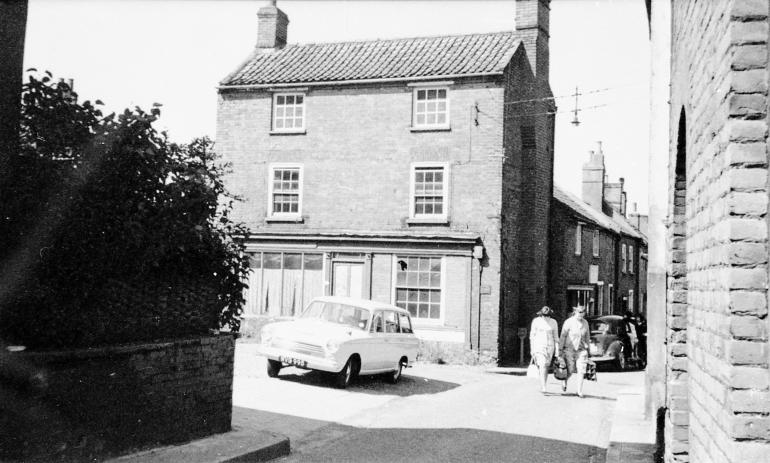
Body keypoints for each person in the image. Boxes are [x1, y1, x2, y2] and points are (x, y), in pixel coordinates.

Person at [559, 305, 590, 397]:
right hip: (569, 349)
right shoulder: (569, 322)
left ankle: (579, 391)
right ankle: (564, 381)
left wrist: (588, 349)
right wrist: (560, 349)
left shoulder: (585, 323)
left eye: (583, 312)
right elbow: (563, 336)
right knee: (571, 369)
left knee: (581, 370)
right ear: (575, 312)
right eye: (579, 312)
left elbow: (587, 336)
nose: (581, 314)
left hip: (581, 350)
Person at [529, 306, 559, 393]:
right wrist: (532, 349)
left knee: (546, 366)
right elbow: (532, 336)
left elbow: (556, 337)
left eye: (548, 316)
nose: (546, 317)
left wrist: (557, 351)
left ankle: (544, 384)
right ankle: (543, 386)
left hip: (550, 346)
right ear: (541, 315)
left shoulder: (553, 322)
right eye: (544, 315)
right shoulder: (536, 321)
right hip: (539, 346)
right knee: (542, 365)